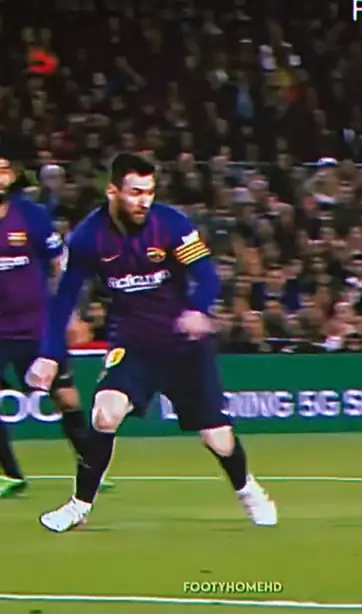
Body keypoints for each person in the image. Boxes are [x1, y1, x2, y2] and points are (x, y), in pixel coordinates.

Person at [27, 152, 278, 532]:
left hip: (183, 344)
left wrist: (198, 309)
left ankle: (249, 491)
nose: (144, 200)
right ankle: (79, 506)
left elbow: (206, 274)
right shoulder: (88, 238)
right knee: (104, 413)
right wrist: (49, 354)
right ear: (113, 191)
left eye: (149, 192)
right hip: (133, 343)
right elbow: (64, 299)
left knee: (218, 439)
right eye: (135, 192)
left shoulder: (171, 224)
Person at [0, 155, 112, 497]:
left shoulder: (30, 215)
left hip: (37, 325)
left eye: (4, 169)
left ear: (13, 176)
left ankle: (91, 466)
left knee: (66, 397)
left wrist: (70, 314)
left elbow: (60, 262)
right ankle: (8, 474)